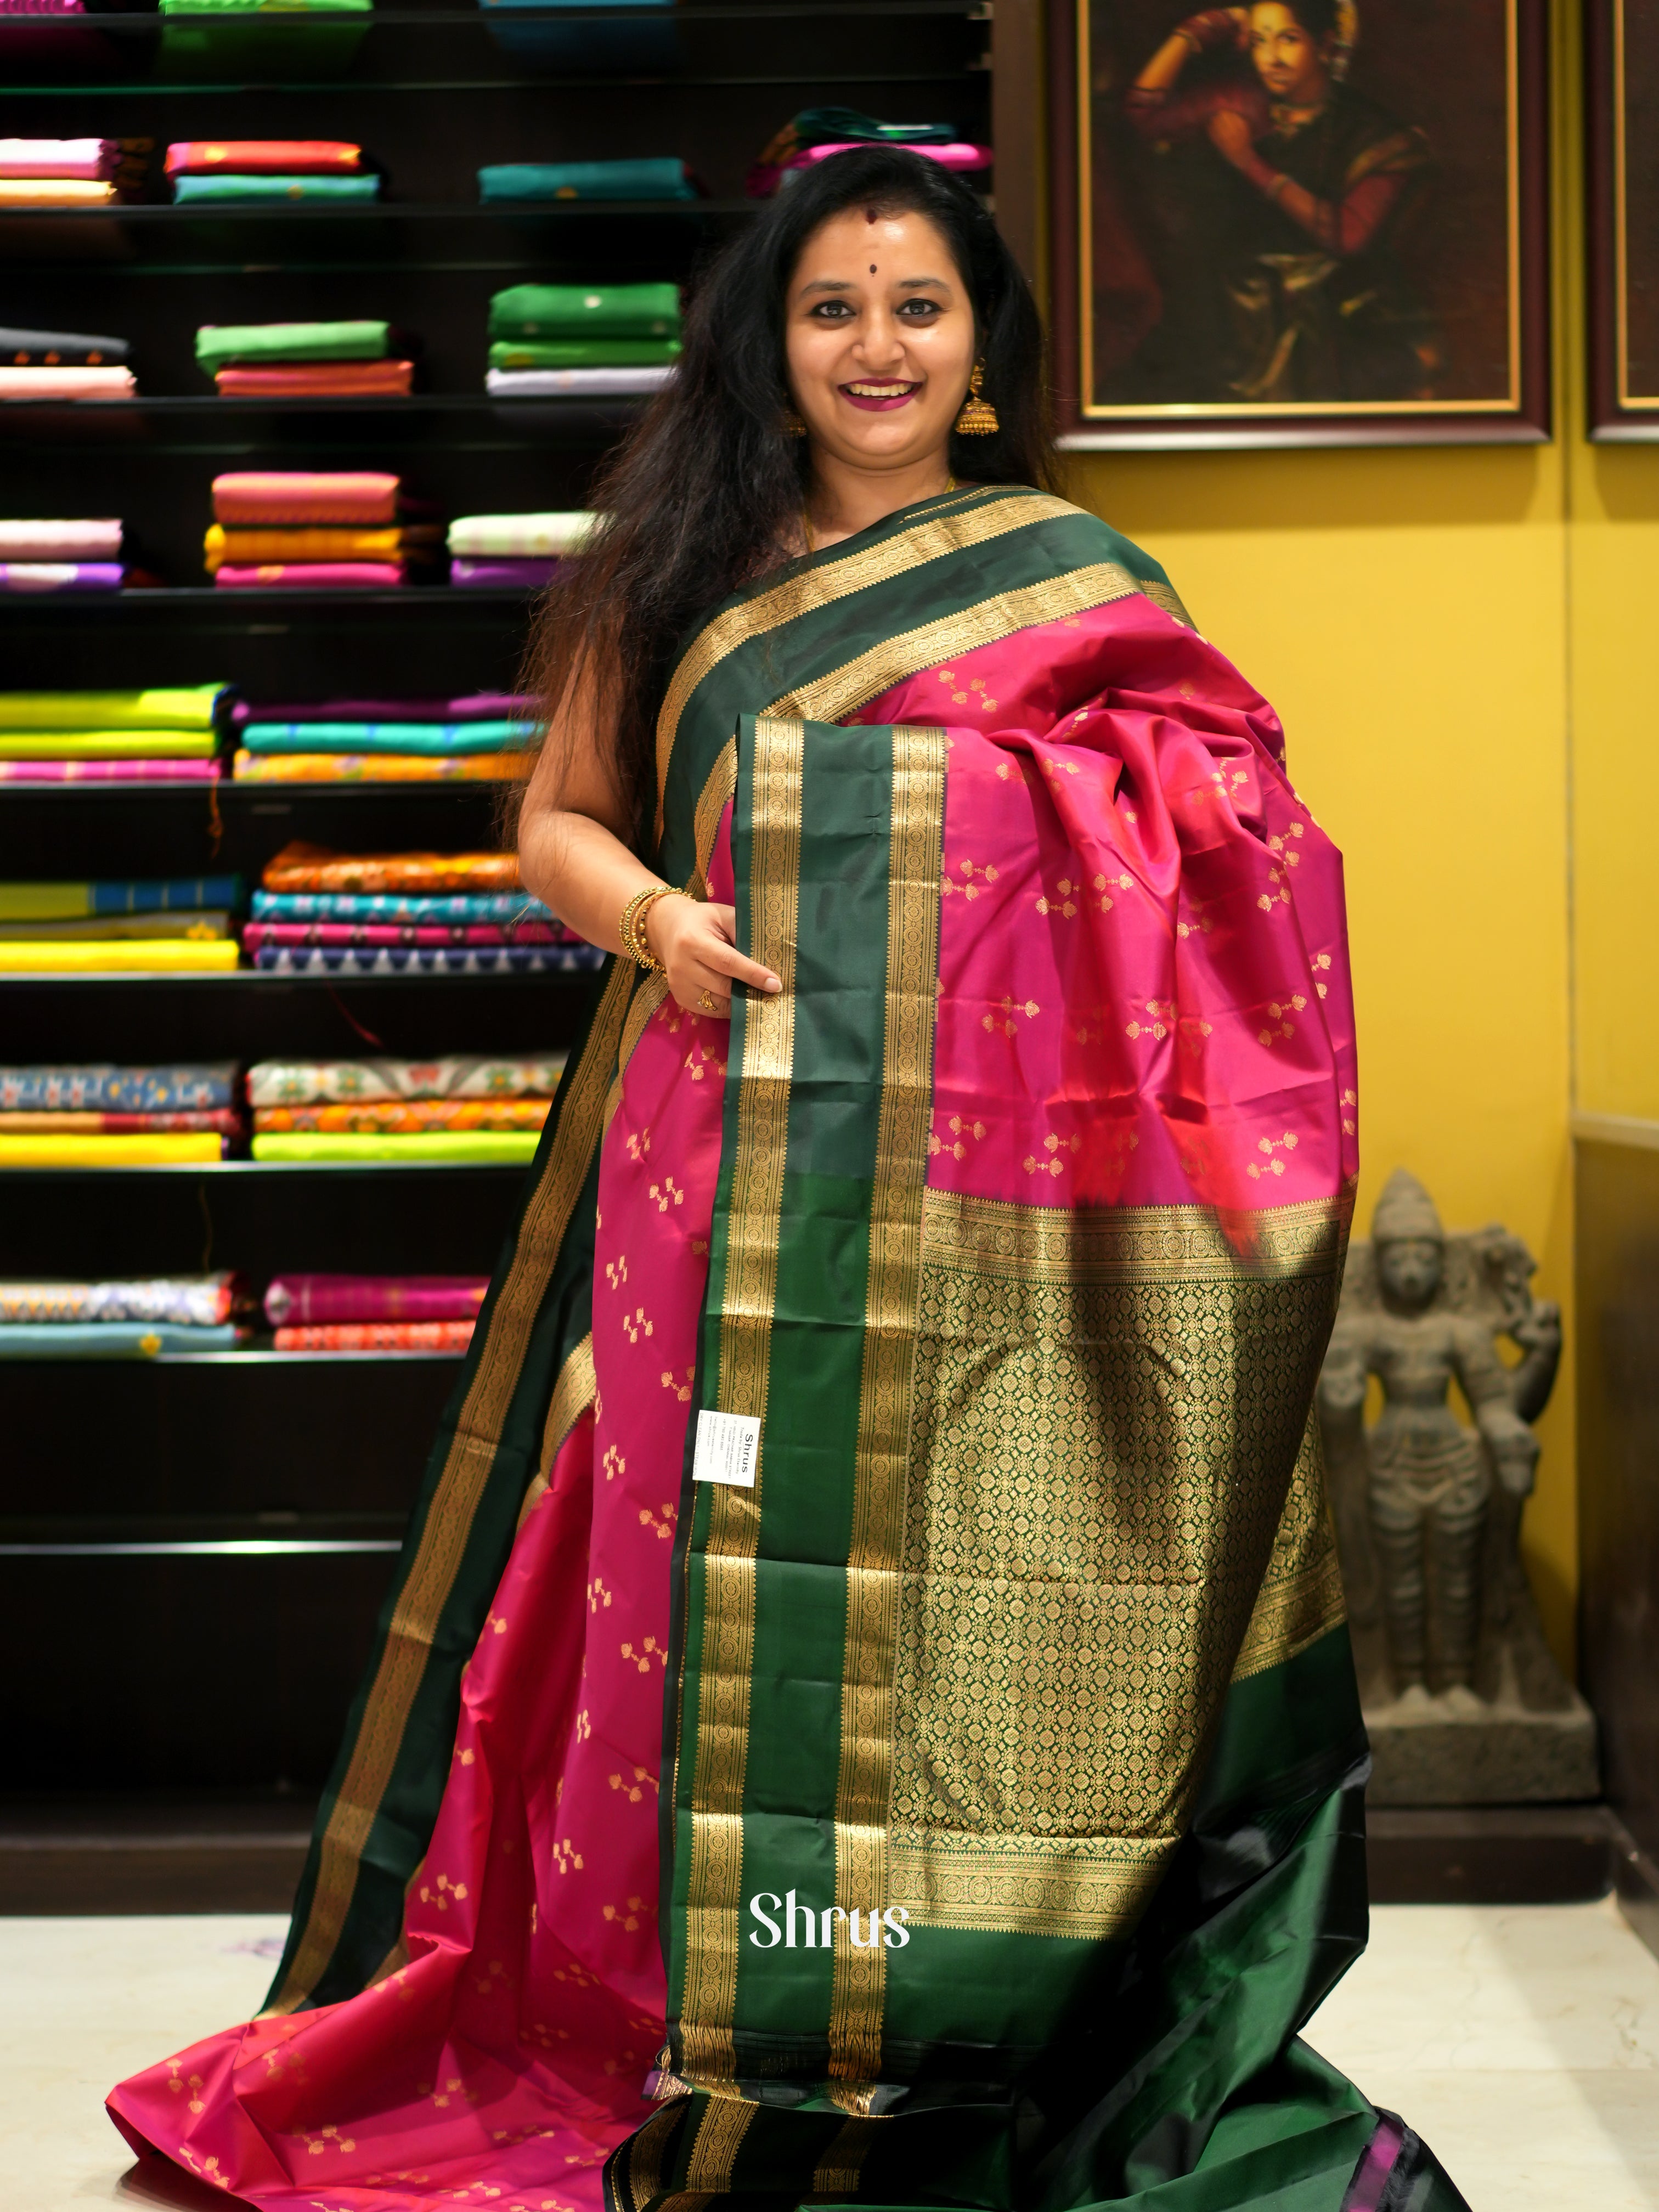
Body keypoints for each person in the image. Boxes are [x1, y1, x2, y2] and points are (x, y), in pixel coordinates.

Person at [108, 146, 1468, 2212]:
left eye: (913, 306)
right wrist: (654, 915)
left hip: (985, 1207)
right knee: (683, 1569)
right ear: (766, 335)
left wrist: (1042, 820)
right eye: (829, 306)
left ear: (976, 343)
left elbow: (1223, 830)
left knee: (942, 1594)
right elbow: (552, 823)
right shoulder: (677, 564)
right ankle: (675, 2013)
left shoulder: (1074, 572)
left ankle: (943, 2003)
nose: (873, 347)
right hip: (720, 1155)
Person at [1121, 0, 1437, 402]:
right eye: (1258, 42)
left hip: (1334, 314)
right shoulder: (1243, 100)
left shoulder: (1375, 134)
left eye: (1288, 40)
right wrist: (1198, 29)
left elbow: (1348, 236)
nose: (1271, 59)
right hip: (1233, 312)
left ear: (1324, 44)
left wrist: (1248, 162)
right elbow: (1142, 110)